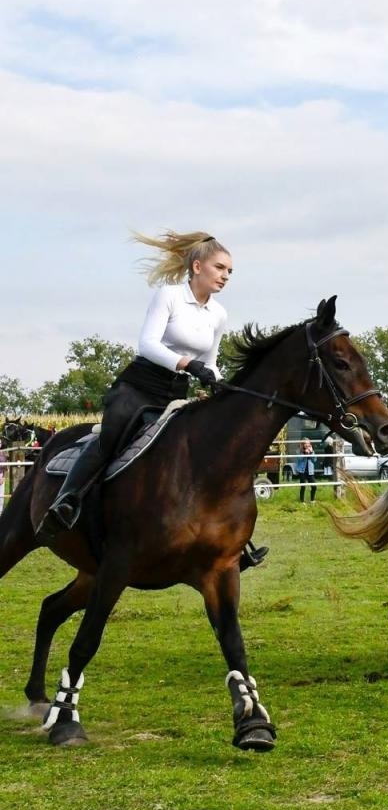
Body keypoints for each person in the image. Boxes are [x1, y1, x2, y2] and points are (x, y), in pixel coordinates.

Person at [37, 230, 268, 569]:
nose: (225, 276)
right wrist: (189, 364)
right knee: (110, 437)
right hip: (138, 388)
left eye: (230, 272)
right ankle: (67, 502)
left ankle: (233, 541)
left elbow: (213, 363)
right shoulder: (170, 296)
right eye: (220, 268)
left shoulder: (218, 315)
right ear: (198, 266)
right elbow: (147, 344)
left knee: (207, 452)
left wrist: (222, 384)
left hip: (175, 395)